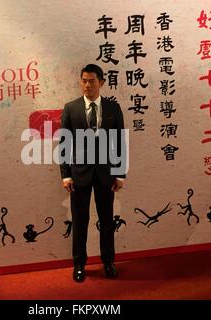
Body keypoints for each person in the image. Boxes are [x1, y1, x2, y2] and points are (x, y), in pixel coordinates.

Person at [59, 64, 127, 283]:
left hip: (106, 174)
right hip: (79, 175)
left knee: (107, 220)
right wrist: (65, 175)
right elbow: (64, 143)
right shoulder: (71, 108)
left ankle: (108, 261)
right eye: (84, 81)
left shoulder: (113, 109)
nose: (87, 85)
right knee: (80, 220)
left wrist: (120, 174)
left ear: (101, 83)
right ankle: (79, 264)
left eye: (91, 81)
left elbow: (119, 142)